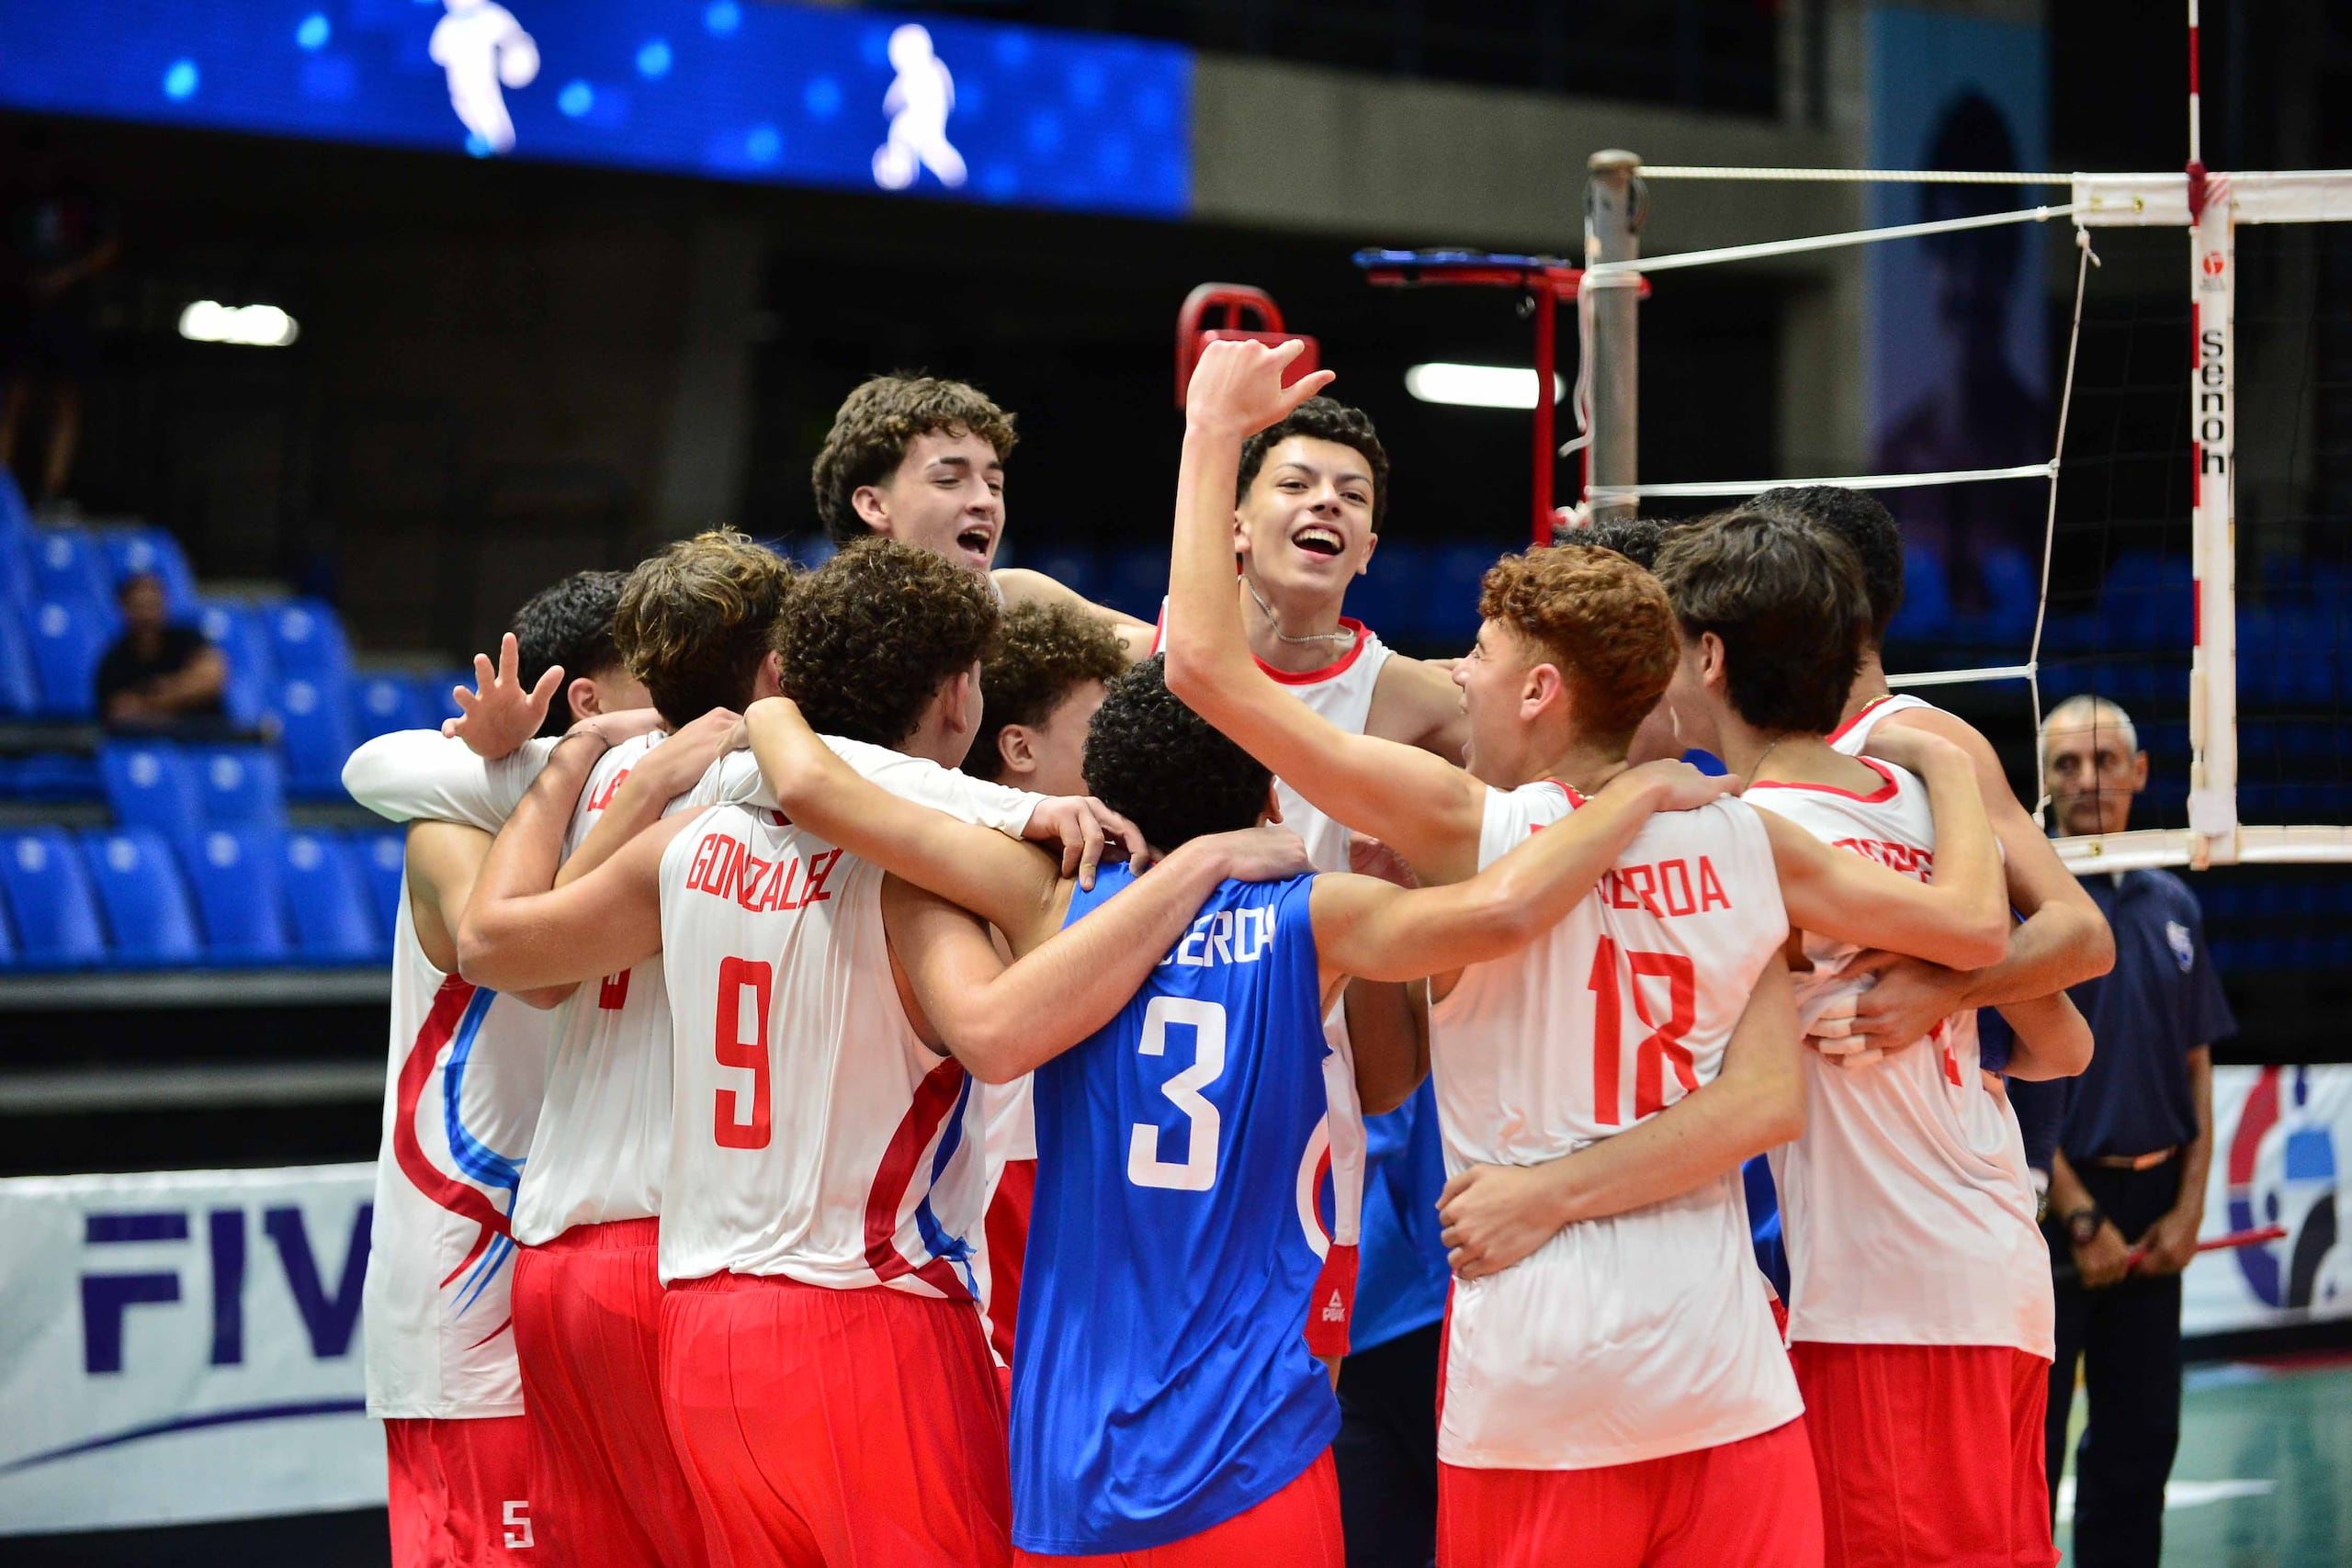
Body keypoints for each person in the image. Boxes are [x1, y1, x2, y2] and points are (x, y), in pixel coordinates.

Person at [1164, 340, 2016, 1566]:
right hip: (1726, 1372)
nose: (1460, 674)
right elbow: (1844, 1038)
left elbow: (1200, 663)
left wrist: (1210, 432)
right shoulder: (1745, 838)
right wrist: (1952, 761)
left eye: (1483, 661)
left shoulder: (1473, 828)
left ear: (1538, 691)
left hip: (1541, 1372)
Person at [447, 539, 1445, 1561]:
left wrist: (592, 753)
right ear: (962, 701)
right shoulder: (949, 851)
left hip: (699, 1324)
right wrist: (1197, 867)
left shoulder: (691, 833)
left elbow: (503, 951)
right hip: (865, 1312)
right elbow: (1000, 1028)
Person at [1650, 512, 2089, 1568]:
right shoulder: (1909, 786)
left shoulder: (1759, 836)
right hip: (1986, 1273)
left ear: (1711, 657)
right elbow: (2061, 1037)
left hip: (1891, 1305)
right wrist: (1949, 993)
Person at [360, 570, 653, 1568]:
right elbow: (539, 971)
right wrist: (585, 775)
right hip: (466, 1274)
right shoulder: (449, 829)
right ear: (589, 705)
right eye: (663, 686)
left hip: (584, 1282)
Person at [1747, 485, 2115, 1072]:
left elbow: (2083, 933)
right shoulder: (1770, 755)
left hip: (1939, 1131)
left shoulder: (1919, 737)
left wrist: (1951, 988)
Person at [2023, 695, 2233, 1568]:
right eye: (2067, 765)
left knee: (2141, 1439)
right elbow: (2012, 1089)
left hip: (2154, 1210)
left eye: (2105, 761)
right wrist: (2076, 1214)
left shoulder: (2174, 897)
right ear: (2043, 782)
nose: (2087, 780)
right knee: (2029, 1452)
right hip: (2056, 1215)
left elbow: (2196, 1069)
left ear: (2142, 775)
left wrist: (2188, 1209)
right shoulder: (2028, 900)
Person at [809, 372, 1153, 651]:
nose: (985, 502)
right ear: (874, 506)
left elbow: (1170, 657)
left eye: (993, 484)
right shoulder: (811, 637)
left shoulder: (1017, 602)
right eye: (948, 480)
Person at [95, 570, 226, 728]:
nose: (147, 616)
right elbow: (121, 712)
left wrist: (152, 701)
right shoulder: (113, 662)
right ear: (124, 607)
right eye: (140, 606)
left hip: (207, 739)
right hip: (146, 746)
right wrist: (184, 690)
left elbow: (211, 679)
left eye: (153, 605)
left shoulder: (186, 639)